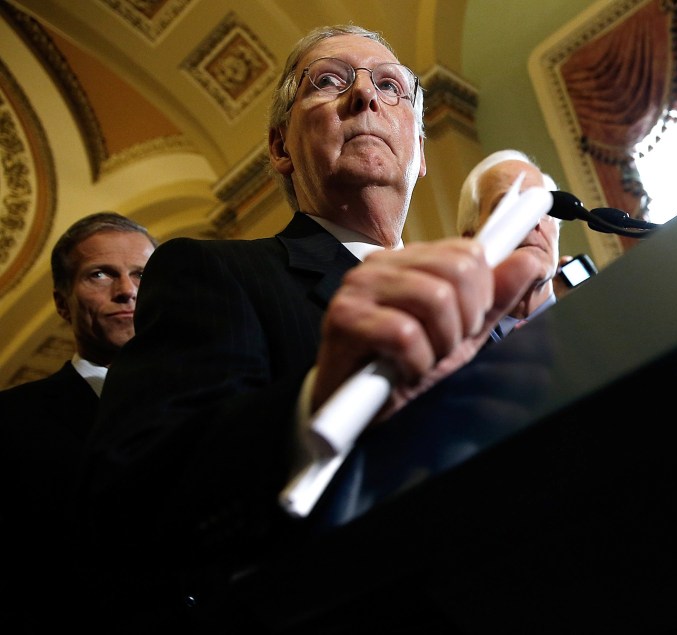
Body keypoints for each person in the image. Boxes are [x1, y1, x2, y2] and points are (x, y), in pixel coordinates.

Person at [77, 24, 549, 630]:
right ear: (280, 147)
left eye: (390, 86)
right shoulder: (217, 272)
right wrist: (317, 405)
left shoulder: (482, 295)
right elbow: (129, 499)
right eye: (328, 81)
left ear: (421, 152)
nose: (365, 97)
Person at [0, 212, 157, 632]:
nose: (127, 291)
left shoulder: (227, 396)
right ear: (61, 303)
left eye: (142, 274)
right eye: (101, 275)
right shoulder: (11, 421)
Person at [456, 149, 560, 341]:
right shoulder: (452, 346)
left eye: (544, 209)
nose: (535, 220)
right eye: (513, 207)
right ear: (471, 241)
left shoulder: (596, 324)